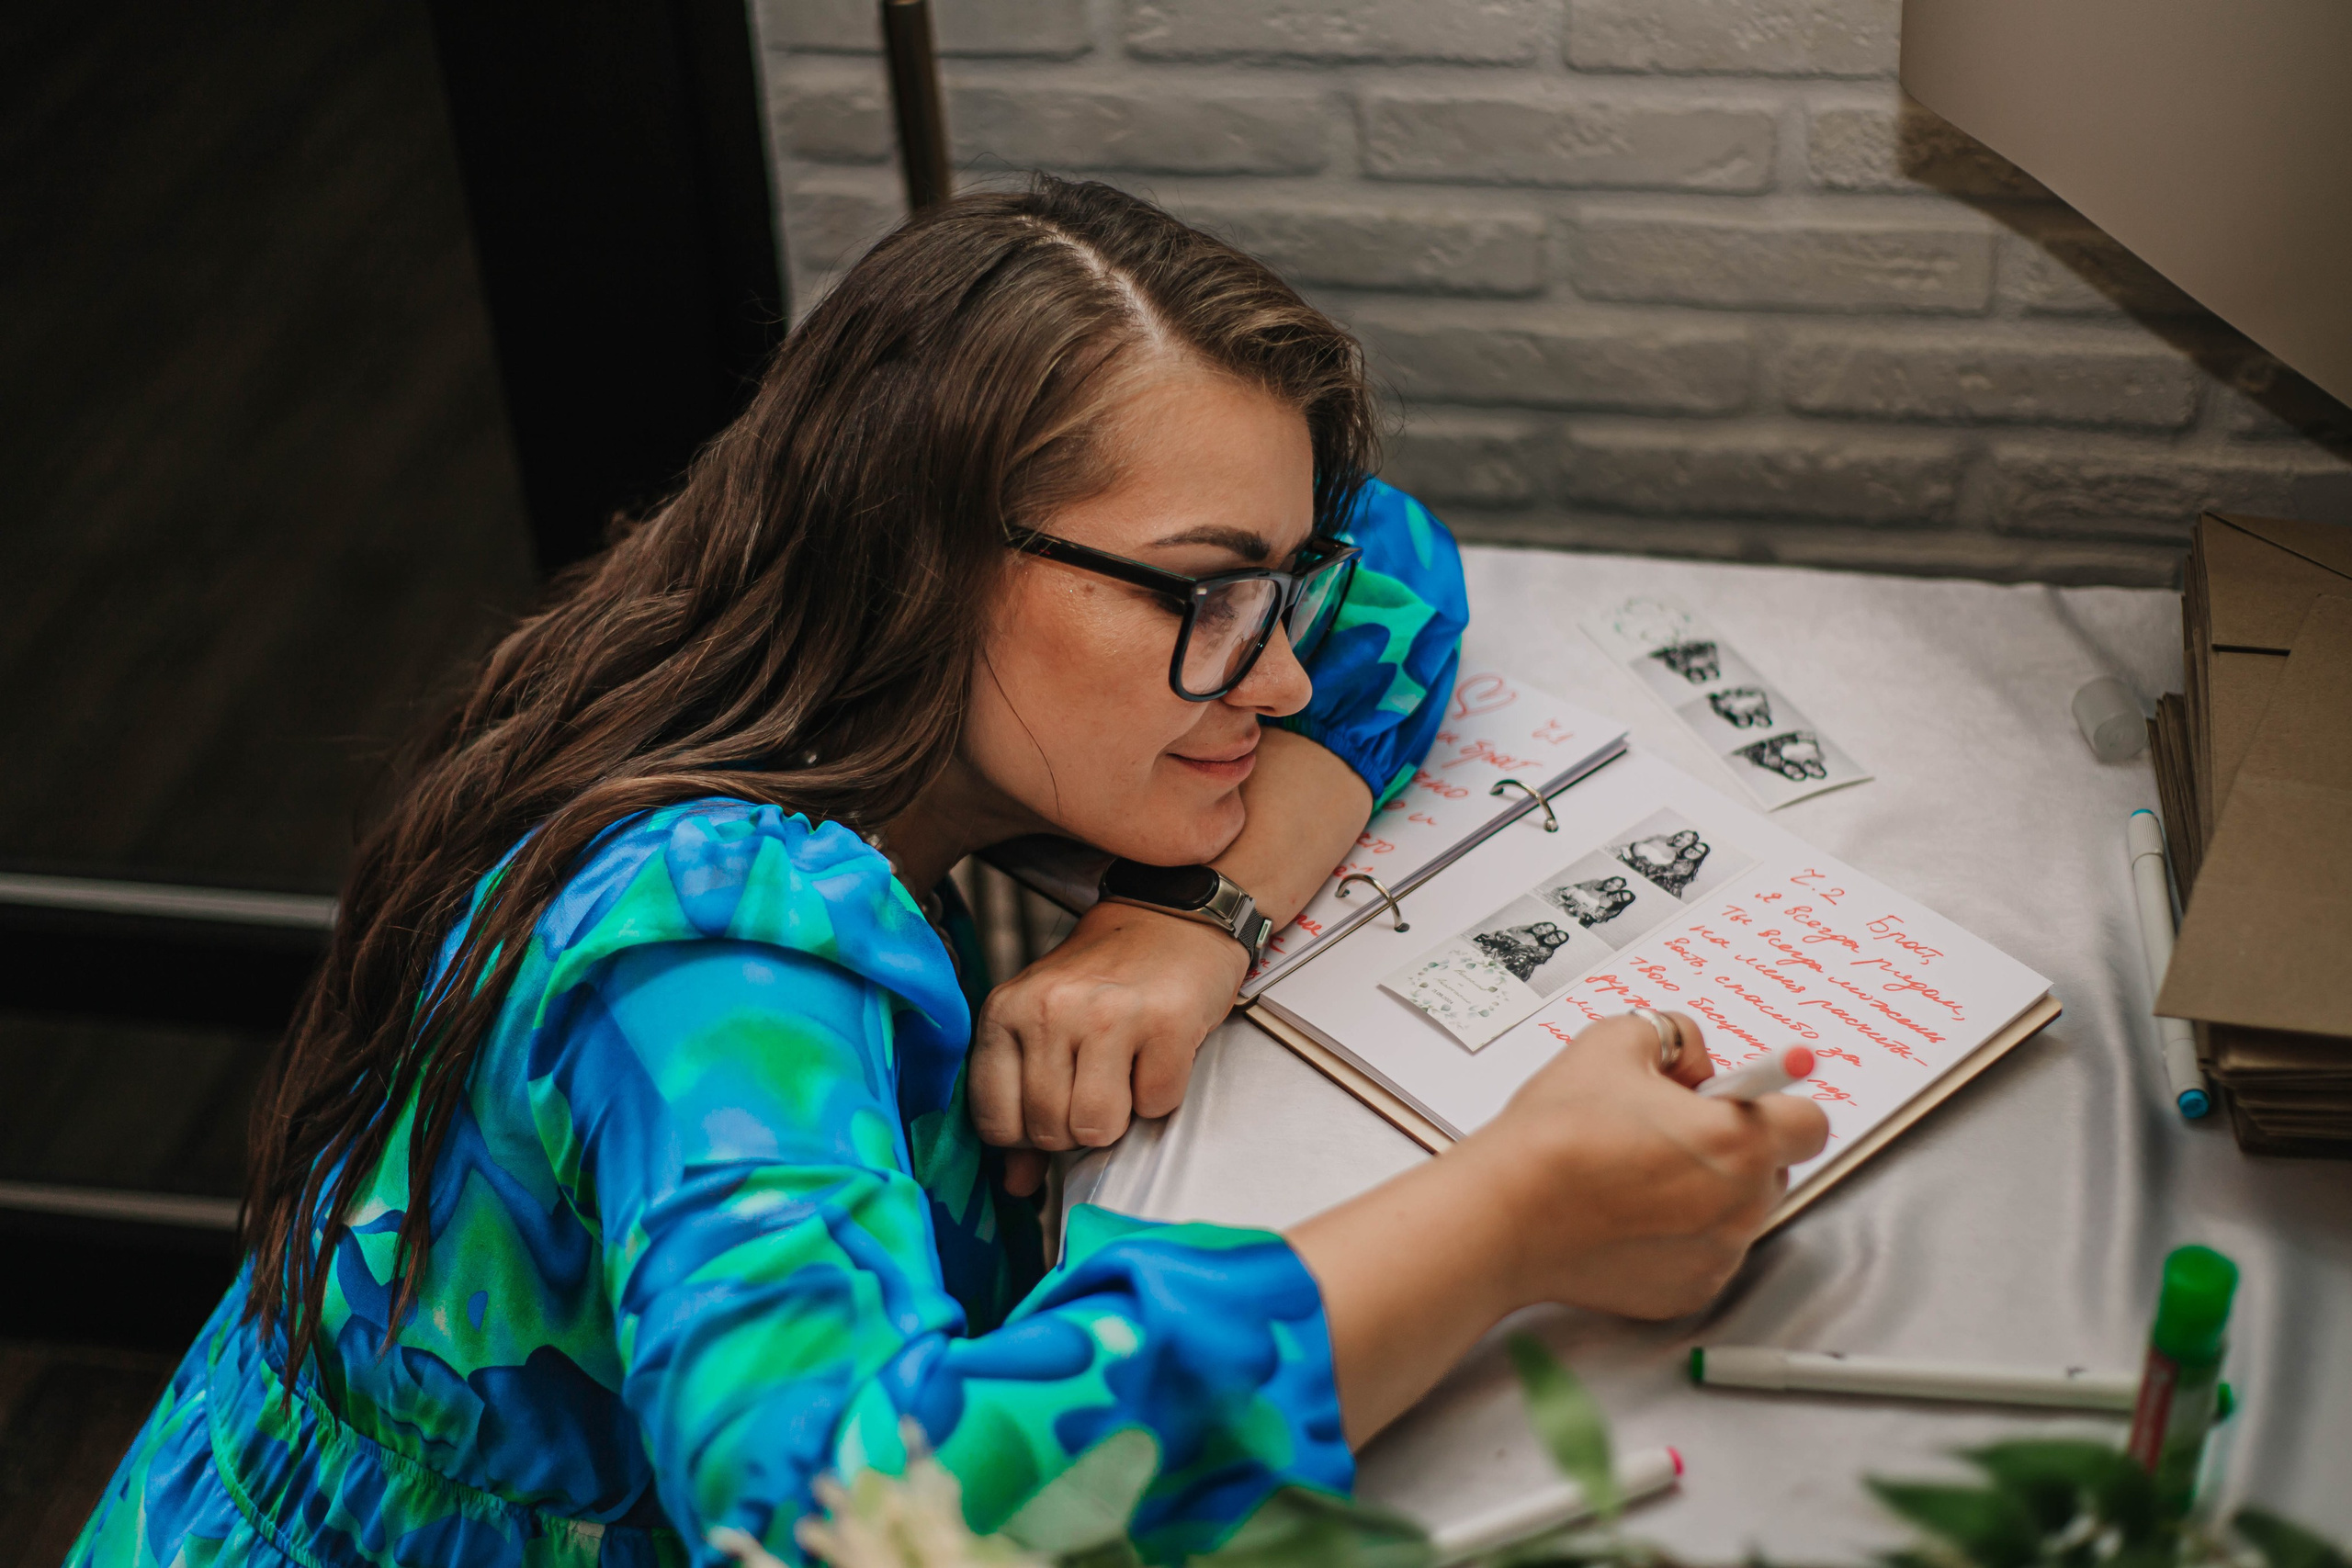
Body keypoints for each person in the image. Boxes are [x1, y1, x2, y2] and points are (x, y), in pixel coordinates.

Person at [70, 176, 1826, 1568]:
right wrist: (1509, 1214)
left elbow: (1396, 573)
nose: (1280, 671)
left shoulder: (791, 672)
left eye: (1270, 589)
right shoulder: (712, 953)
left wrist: (1190, 922)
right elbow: (851, 1516)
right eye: (1206, 596)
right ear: (927, 549)